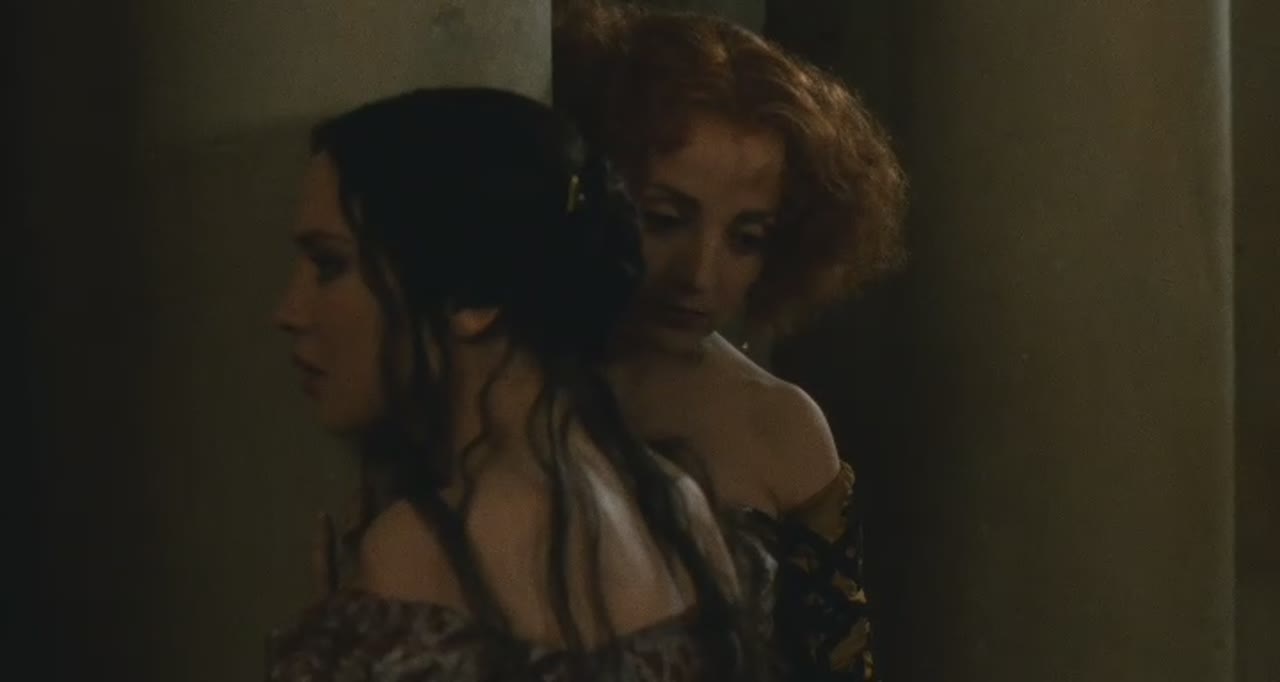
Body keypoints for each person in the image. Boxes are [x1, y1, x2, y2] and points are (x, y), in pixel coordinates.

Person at [269, 87, 767, 681]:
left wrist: (343, 634)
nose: (289, 311)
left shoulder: (417, 555)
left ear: (472, 295)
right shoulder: (679, 508)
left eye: (329, 265)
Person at [551, 2, 908, 680]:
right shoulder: (506, 383)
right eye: (664, 220)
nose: (699, 273)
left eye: (746, 238)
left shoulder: (781, 428)